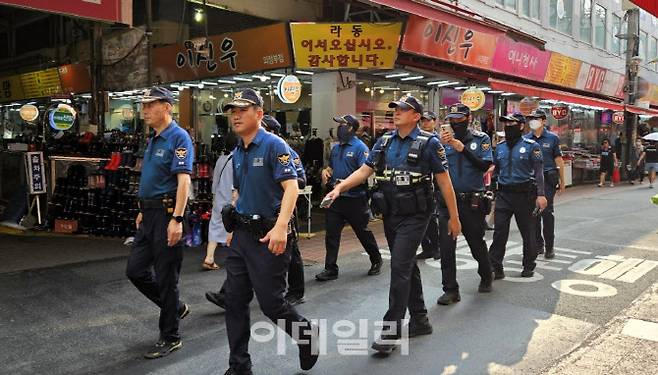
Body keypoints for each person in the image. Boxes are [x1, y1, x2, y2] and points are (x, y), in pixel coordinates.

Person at [322, 95, 461, 354]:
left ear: (416, 116)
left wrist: (454, 217)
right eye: (395, 109)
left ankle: (391, 331)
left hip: (417, 215)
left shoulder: (429, 144)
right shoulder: (384, 141)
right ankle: (419, 319)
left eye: (403, 109)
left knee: (398, 267)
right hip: (391, 213)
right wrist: (340, 187)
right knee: (406, 265)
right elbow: (365, 170)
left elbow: (444, 181)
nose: (396, 112)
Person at [221, 89, 318, 375]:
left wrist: (280, 227)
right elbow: (239, 190)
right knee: (235, 302)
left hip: (268, 237)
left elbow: (292, 187)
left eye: (242, 110)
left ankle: (305, 334)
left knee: (272, 304)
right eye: (232, 111)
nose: (235, 115)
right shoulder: (238, 149)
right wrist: (233, 225)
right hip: (241, 236)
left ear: (259, 114)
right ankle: (239, 365)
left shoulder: (275, 145)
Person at [205, 115, 309, 308]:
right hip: (252, 217)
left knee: (292, 254)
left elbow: (299, 181)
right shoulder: (244, 151)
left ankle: (296, 292)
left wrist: (275, 179)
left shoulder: (283, 149)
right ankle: (229, 295)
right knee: (243, 258)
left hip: (280, 213)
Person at [125, 87, 193, 359]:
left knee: (166, 278)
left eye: (149, 105)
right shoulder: (153, 139)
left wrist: (176, 218)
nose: (144, 111)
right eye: (143, 106)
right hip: (149, 215)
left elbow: (183, 181)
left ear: (166, 106)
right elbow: (153, 178)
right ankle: (175, 307)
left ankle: (171, 336)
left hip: (167, 216)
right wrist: (143, 208)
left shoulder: (179, 137)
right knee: (135, 270)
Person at [436, 104, 494, 305]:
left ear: (468, 118)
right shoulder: (441, 142)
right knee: (446, 246)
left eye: (459, 119)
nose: (455, 123)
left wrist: (463, 149)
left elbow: (485, 166)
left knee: (476, 243)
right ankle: (450, 289)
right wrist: (441, 147)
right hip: (447, 202)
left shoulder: (481, 139)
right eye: (452, 119)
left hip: (472, 202)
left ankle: (486, 274)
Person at [316, 114, 382, 281]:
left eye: (342, 125)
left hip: (355, 199)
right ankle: (330, 268)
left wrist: (346, 182)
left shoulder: (360, 148)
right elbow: (330, 166)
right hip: (336, 199)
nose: (339, 128)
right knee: (331, 234)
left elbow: (364, 172)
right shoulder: (336, 148)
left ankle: (376, 259)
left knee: (362, 232)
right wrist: (326, 171)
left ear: (351, 128)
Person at [488, 113, 547, 279]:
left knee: (527, 232)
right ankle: (495, 266)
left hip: (525, 196)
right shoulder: (500, 147)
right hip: (504, 195)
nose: (508, 127)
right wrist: (492, 188)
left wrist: (541, 195)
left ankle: (529, 264)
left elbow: (538, 172)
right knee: (499, 232)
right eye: (506, 124)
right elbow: (496, 170)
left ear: (521, 126)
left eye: (512, 124)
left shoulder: (531, 146)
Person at [524, 109, 565, 259]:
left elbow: (558, 160)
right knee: (533, 214)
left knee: (546, 213)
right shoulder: (526, 139)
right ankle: (538, 245)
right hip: (532, 181)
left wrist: (562, 180)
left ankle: (550, 247)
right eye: (531, 118)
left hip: (548, 179)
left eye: (536, 118)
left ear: (543, 121)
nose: (533, 121)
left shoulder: (552, 138)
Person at [203, 135, 236, 270]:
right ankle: (236, 259)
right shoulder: (238, 159)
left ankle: (209, 257)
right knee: (235, 228)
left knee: (215, 226)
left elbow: (215, 182)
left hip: (219, 198)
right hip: (233, 199)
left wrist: (214, 198)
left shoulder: (221, 159)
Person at [417, 111, 440, 260]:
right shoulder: (417, 139)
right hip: (420, 183)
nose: (425, 123)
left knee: (432, 218)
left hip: (436, 184)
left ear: (434, 122)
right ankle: (427, 247)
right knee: (421, 217)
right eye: (423, 120)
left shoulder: (437, 140)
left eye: (428, 120)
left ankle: (437, 247)